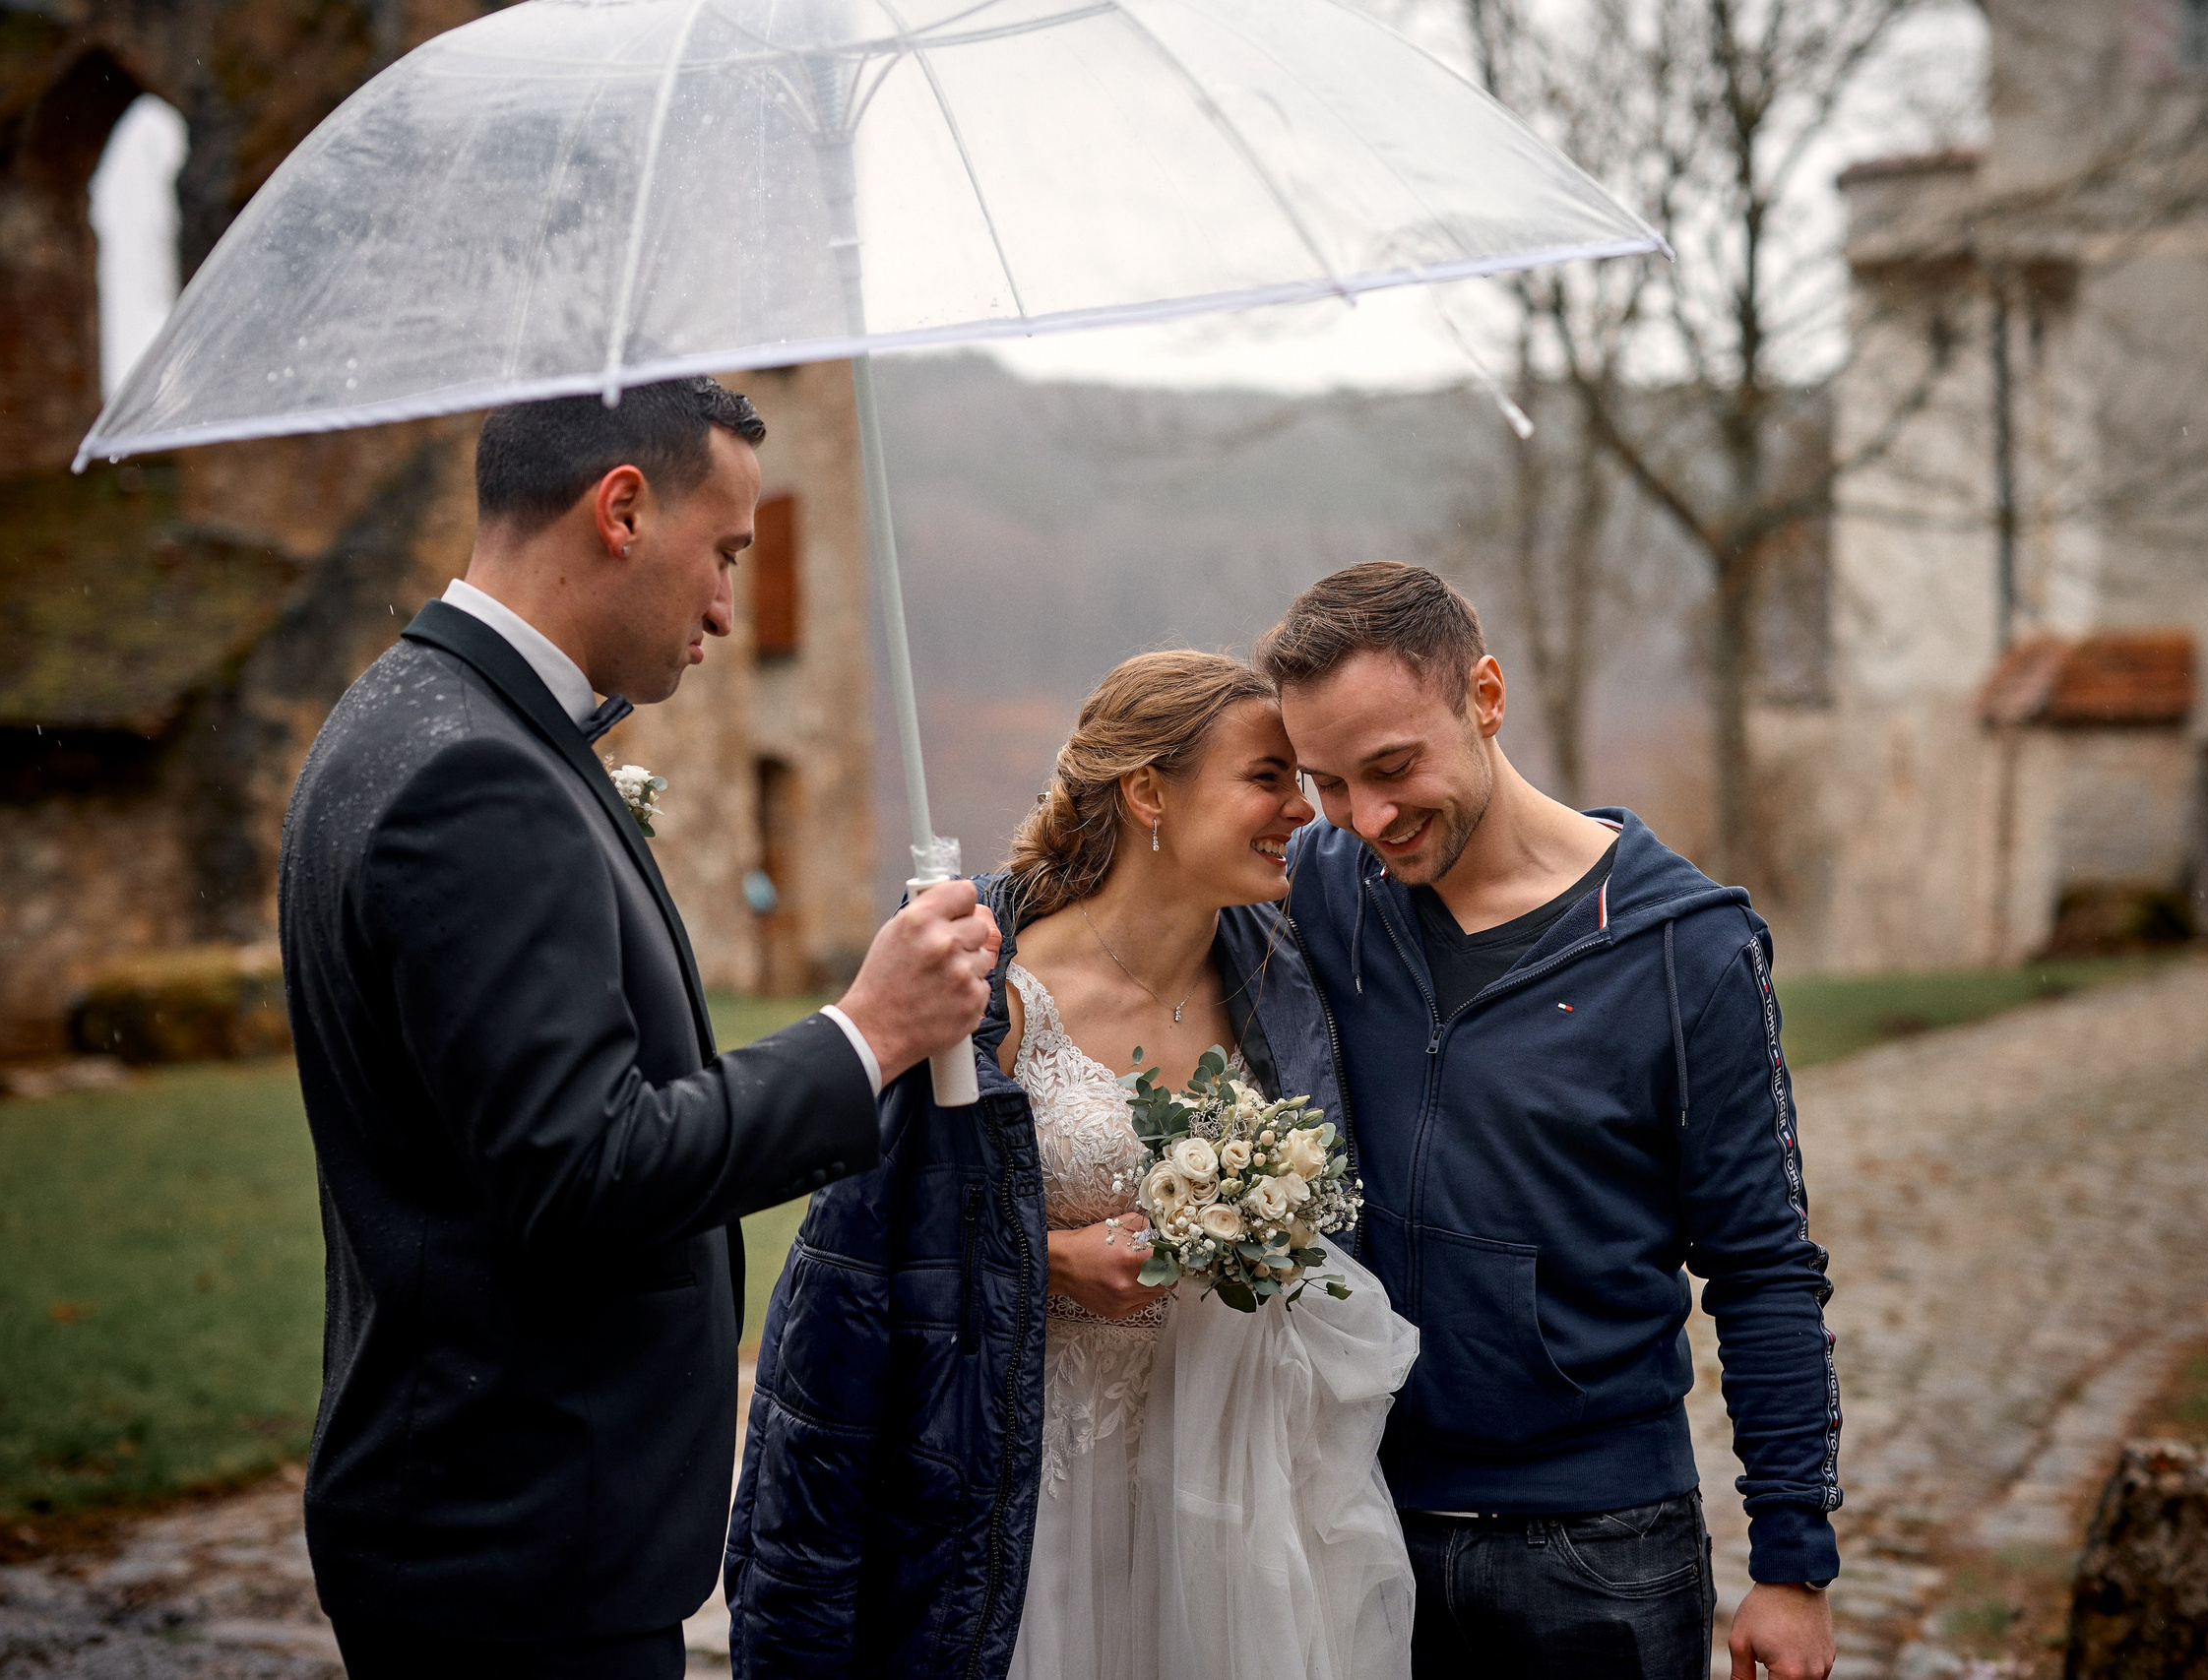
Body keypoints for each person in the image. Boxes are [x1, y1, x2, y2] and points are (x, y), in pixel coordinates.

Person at [277, 377, 1000, 1680]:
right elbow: (584, 1168)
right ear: (620, 509)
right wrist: (868, 1032)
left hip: (482, 1511)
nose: (728, 603)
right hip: (520, 1541)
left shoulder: (408, 715)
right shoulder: (474, 776)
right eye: (723, 551)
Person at [725, 652, 1420, 1680]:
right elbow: (877, 1258)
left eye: (1301, 782)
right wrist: (1046, 1262)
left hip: (1227, 1492)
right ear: (1148, 789)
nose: (1304, 813)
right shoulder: (986, 996)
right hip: (1026, 1485)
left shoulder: (1286, 988)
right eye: (1266, 778)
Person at [1260, 563, 1841, 1680]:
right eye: (1326, 784)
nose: (1363, 819)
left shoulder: (1690, 953)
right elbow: (1127, 890)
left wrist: (1792, 1564)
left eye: (1390, 769)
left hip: (1602, 1551)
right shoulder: (1323, 887)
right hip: (1357, 1522)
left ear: (1485, 695)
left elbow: (1763, 1268)